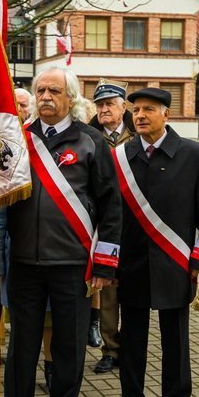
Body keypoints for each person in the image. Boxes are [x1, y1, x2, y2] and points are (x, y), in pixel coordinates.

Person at [2, 67, 122, 397]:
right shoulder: (18, 140)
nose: (45, 97)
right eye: (40, 90)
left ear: (70, 97)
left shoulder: (91, 141)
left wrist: (105, 264)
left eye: (54, 90)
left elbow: (111, 206)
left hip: (74, 263)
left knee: (69, 346)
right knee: (22, 346)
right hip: (24, 261)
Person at [109, 88, 199, 397]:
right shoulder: (121, 157)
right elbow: (110, 214)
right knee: (132, 339)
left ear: (166, 115)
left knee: (175, 340)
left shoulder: (194, 154)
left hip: (176, 262)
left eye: (149, 110)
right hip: (133, 262)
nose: (140, 115)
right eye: (136, 110)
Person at [87, 78, 135, 372]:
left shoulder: (140, 133)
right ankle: (110, 349)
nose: (103, 109)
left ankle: (131, 346)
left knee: (132, 289)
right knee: (106, 289)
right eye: (100, 105)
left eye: (109, 104)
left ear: (123, 106)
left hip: (135, 222)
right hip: (102, 223)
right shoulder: (88, 136)